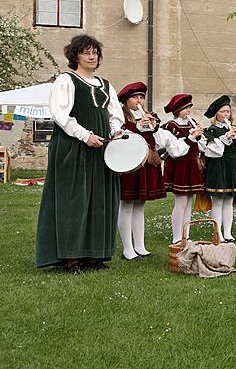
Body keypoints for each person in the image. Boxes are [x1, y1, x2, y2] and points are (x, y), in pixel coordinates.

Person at [35, 35, 124, 273]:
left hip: (102, 149)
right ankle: (71, 257)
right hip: (73, 148)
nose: (92, 56)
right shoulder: (66, 80)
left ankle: (96, 255)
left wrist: (115, 132)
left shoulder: (106, 85)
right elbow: (61, 116)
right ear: (75, 56)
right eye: (86, 52)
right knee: (73, 200)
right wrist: (86, 136)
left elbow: (115, 114)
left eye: (95, 52)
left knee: (100, 200)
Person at [117, 82, 187, 261]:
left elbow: (156, 137)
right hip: (129, 163)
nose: (139, 101)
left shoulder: (147, 116)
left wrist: (152, 124)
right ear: (126, 101)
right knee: (126, 205)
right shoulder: (120, 117)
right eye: (135, 98)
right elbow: (119, 134)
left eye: (141, 97)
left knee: (140, 205)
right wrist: (138, 126)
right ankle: (127, 248)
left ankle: (140, 246)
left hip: (146, 162)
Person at [199, 95, 236, 242]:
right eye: (222, 111)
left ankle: (227, 233)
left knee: (229, 201)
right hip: (218, 168)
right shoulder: (211, 131)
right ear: (216, 114)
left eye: (228, 111)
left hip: (232, 167)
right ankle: (218, 233)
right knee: (218, 202)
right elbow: (212, 151)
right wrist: (225, 137)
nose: (226, 114)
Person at [162, 94, 205, 245]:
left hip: (192, 165)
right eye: (185, 108)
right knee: (180, 202)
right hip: (179, 166)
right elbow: (174, 151)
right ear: (177, 109)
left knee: (188, 203)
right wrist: (191, 138)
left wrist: (200, 137)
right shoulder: (170, 126)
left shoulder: (192, 124)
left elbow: (201, 147)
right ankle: (176, 236)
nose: (188, 111)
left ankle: (186, 234)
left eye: (189, 108)